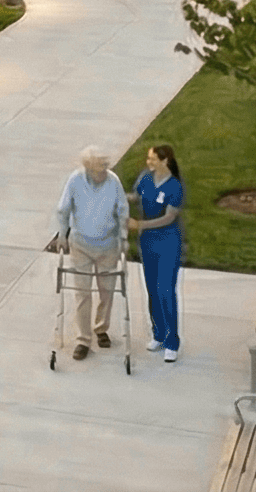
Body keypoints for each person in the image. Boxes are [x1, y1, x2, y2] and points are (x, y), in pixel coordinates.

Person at [51, 146, 128, 360]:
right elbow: (63, 209)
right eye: (99, 169)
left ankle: (101, 328)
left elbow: (122, 209)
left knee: (107, 290)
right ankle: (83, 339)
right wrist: (62, 235)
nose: (103, 172)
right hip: (81, 244)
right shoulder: (75, 180)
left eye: (105, 167)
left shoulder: (113, 181)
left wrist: (123, 237)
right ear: (88, 168)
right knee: (82, 293)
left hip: (108, 244)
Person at [130, 144, 185, 363]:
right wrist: (114, 194)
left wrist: (140, 224)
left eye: (153, 159)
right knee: (152, 289)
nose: (148, 162)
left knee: (165, 290)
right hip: (148, 243)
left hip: (168, 242)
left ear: (165, 161)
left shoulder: (175, 186)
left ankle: (172, 341)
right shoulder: (146, 178)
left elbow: (169, 218)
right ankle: (158, 334)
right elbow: (135, 197)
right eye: (148, 158)